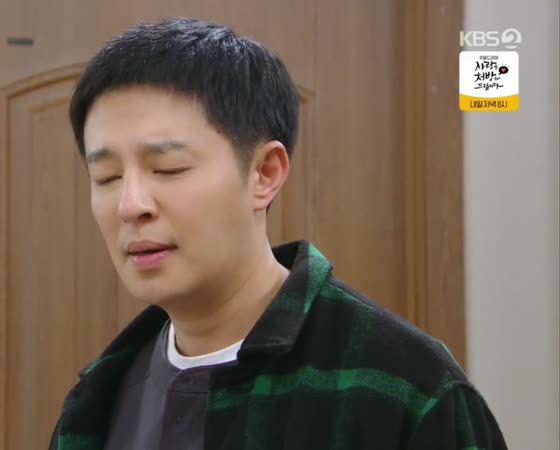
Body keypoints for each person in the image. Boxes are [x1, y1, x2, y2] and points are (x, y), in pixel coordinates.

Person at [50, 17, 507, 450]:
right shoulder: (97, 398)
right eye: (107, 177)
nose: (130, 205)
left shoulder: (409, 388)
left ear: (265, 173)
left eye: (168, 168)